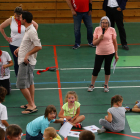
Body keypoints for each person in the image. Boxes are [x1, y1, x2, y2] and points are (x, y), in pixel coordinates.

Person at [14, 11, 42, 114]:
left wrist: (26, 55)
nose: (19, 19)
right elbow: (28, 43)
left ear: (24, 20)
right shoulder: (29, 29)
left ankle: (31, 105)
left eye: (21, 18)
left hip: (26, 62)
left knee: (21, 84)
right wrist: (19, 49)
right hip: (27, 61)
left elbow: (38, 46)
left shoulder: (31, 31)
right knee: (30, 82)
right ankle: (31, 102)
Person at [0, 5, 38, 77]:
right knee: (17, 61)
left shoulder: (25, 19)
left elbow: (36, 25)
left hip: (25, 44)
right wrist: (6, 37)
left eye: (19, 16)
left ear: (22, 14)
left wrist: (31, 36)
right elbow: (1, 27)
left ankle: (30, 77)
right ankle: (19, 77)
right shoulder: (11, 20)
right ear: (14, 14)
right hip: (14, 44)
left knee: (27, 60)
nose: (17, 17)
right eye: (16, 15)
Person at [87, 16, 119, 93]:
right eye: (103, 22)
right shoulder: (97, 29)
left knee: (107, 68)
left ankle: (106, 84)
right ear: (100, 23)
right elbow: (94, 43)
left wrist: (116, 54)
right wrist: (99, 38)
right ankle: (92, 84)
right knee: (96, 69)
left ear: (109, 23)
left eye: (106, 22)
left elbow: (115, 43)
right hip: (99, 53)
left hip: (110, 52)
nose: (105, 24)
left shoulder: (112, 30)